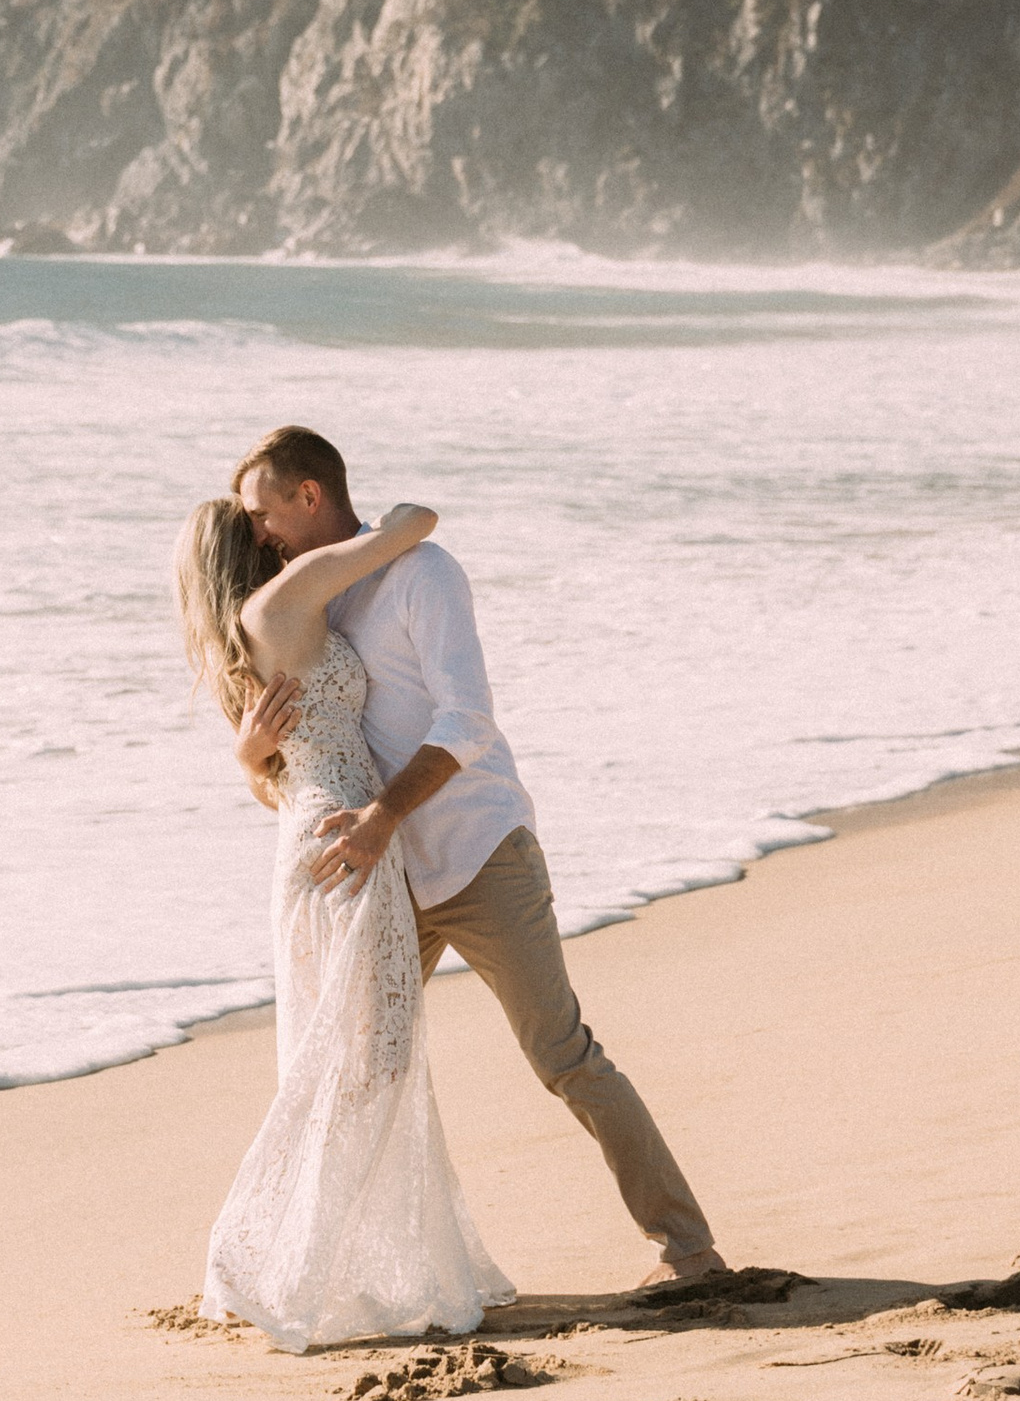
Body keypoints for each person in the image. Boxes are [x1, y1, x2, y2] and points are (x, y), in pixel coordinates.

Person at [228, 423, 725, 1293]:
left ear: (310, 495)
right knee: (355, 1067)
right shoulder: (313, 601)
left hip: (477, 848)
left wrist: (384, 813)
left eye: (265, 513)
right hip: (380, 874)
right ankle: (327, 1278)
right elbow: (304, 753)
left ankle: (691, 1252)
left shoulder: (422, 575)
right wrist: (251, 756)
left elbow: (467, 719)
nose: (259, 534)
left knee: (563, 1056)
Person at [173, 486, 509, 1350]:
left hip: (319, 834)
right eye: (256, 521)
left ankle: (350, 1264)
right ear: (243, 544)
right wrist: (383, 518)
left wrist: (248, 757)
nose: (269, 526)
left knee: (356, 1057)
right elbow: (412, 527)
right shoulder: (283, 600)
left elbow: (273, 768)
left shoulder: (247, 630)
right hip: (342, 842)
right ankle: (273, 1260)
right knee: (369, 1063)